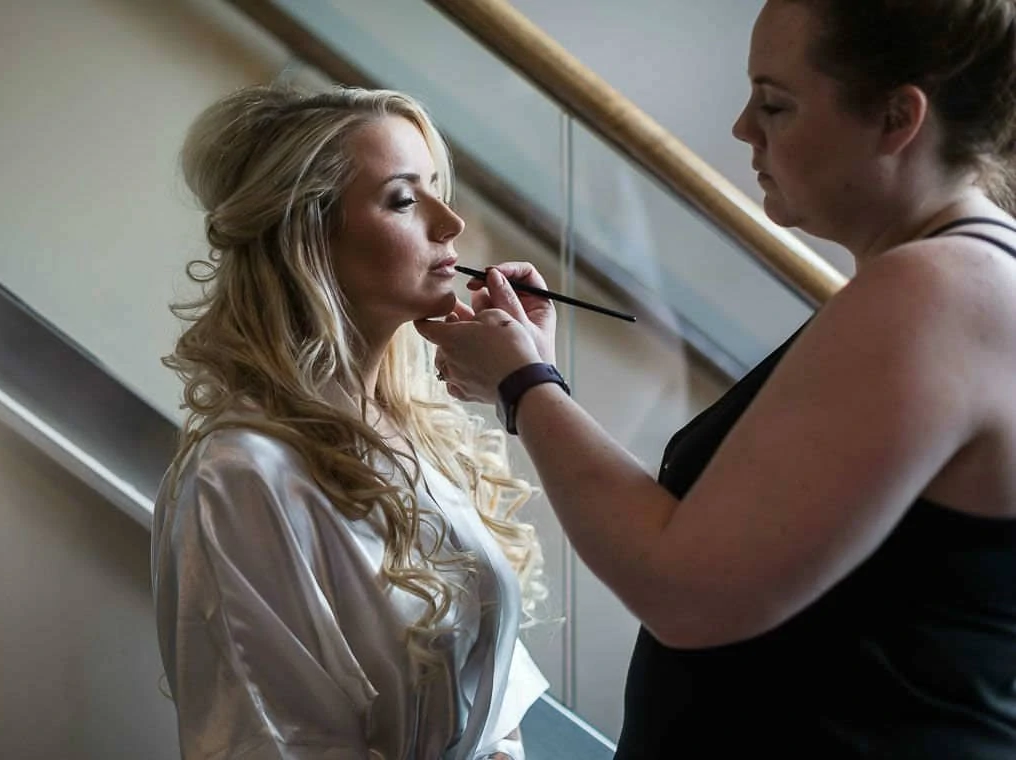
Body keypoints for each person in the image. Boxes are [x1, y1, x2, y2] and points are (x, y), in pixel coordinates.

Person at [416, 0, 1016, 756]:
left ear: (898, 118)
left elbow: (685, 590)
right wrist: (530, 380)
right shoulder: (943, 282)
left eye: (775, 103)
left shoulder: (940, 290)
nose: (743, 129)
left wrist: (524, 384)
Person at [150, 84, 549, 760]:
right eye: (403, 199)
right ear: (309, 237)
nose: (450, 224)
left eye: (436, 189)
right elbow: (279, 743)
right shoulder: (244, 476)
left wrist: (534, 382)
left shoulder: (420, 432)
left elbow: (496, 709)